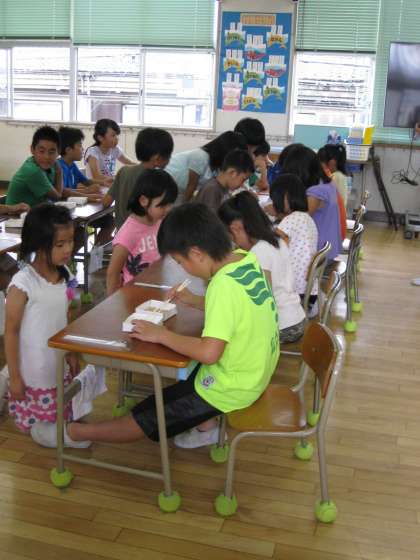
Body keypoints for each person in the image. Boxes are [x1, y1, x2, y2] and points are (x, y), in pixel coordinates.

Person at [31, 203, 280, 450]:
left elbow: (209, 352)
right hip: (256, 370)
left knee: (148, 415)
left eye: (180, 262)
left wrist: (161, 335)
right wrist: (194, 300)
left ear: (196, 253)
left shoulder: (222, 285)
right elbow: (240, 308)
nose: (184, 269)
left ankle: (72, 433)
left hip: (233, 385)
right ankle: (206, 428)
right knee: (182, 376)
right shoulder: (244, 259)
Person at [4, 204, 87, 444]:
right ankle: (44, 431)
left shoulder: (66, 275)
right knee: (42, 421)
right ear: (39, 246)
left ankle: (55, 429)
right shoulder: (23, 283)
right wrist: (15, 377)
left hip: (57, 361)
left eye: (70, 241)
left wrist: (72, 351)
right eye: (60, 244)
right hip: (34, 368)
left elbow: (67, 315)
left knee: (61, 409)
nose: (68, 249)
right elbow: (11, 332)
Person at [219, 191, 306, 343]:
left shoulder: (259, 252)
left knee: (228, 336)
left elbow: (263, 302)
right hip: (296, 317)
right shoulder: (276, 240)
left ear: (236, 228)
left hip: (283, 326)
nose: (234, 243)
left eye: (231, 237)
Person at [106, 169, 178, 295]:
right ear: (143, 200)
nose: (168, 209)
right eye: (163, 205)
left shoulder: (159, 221)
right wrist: (111, 303)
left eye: (170, 204)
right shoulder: (128, 233)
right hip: (134, 295)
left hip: (158, 289)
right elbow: (112, 273)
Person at [103, 127, 174, 229]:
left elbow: (106, 202)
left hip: (121, 233)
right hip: (144, 234)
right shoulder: (158, 180)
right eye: (169, 156)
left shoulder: (124, 171)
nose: (170, 159)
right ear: (157, 159)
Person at [58, 126, 115, 248]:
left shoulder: (72, 165)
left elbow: (86, 181)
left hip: (75, 208)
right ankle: (74, 257)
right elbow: (64, 192)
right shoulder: (59, 167)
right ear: (68, 150)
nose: (83, 149)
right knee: (80, 235)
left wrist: (104, 183)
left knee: (110, 221)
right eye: (79, 145)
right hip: (65, 212)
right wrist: (88, 193)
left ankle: (96, 251)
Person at [282, 145, 342, 262]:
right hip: (327, 250)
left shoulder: (316, 192)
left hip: (317, 254)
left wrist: (277, 212)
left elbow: (297, 220)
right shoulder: (326, 184)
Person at [269, 174, 318, 299]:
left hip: (293, 290)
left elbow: (272, 247)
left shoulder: (290, 220)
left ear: (286, 197)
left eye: (276, 200)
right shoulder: (306, 218)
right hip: (308, 289)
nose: (275, 204)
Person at [165, 130, 247, 202]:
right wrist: (184, 208)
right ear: (226, 150)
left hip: (179, 189)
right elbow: (191, 186)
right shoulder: (201, 156)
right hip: (167, 178)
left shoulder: (218, 166)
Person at [6, 126, 64, 207]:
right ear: (32, 150)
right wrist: (59, 172)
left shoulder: (47, 166)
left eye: (51, 152)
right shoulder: (33, 171)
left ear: (58, 152)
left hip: (35, 211)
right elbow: (57, 197)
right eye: (41, 151)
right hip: (18, 214)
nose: (46, 157)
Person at [84, 119, 135, 185]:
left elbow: (130, 163)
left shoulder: (115, 150)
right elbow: (97, 176)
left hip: (109, 185)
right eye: (113, 135)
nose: (116, 138)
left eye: (117, 135)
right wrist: (117, 179)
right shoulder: (92, 152)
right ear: (100, 138)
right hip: (96, 188)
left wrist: (143, 167)